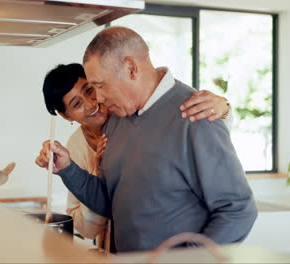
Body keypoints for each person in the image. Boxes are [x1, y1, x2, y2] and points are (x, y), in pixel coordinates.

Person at [37, 27, 257, 252]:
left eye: (100, 86)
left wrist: (188, 259)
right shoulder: (116, 121)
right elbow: (111, 201)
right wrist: (67, 168)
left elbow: (237, 210)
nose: (99, 99)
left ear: (130, 68)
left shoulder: (196, 114)